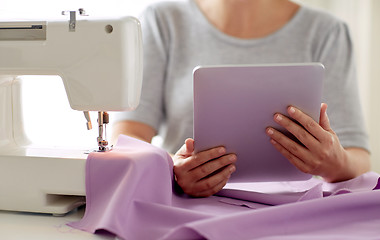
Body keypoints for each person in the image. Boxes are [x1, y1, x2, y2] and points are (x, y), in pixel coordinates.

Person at [112, 0, 371, 197]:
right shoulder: (162, 21)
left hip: (293, 211)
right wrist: (171, 169)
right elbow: (126, 138)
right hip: (189, 206)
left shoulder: (327, 32)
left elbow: (358, 159)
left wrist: (333, 162)